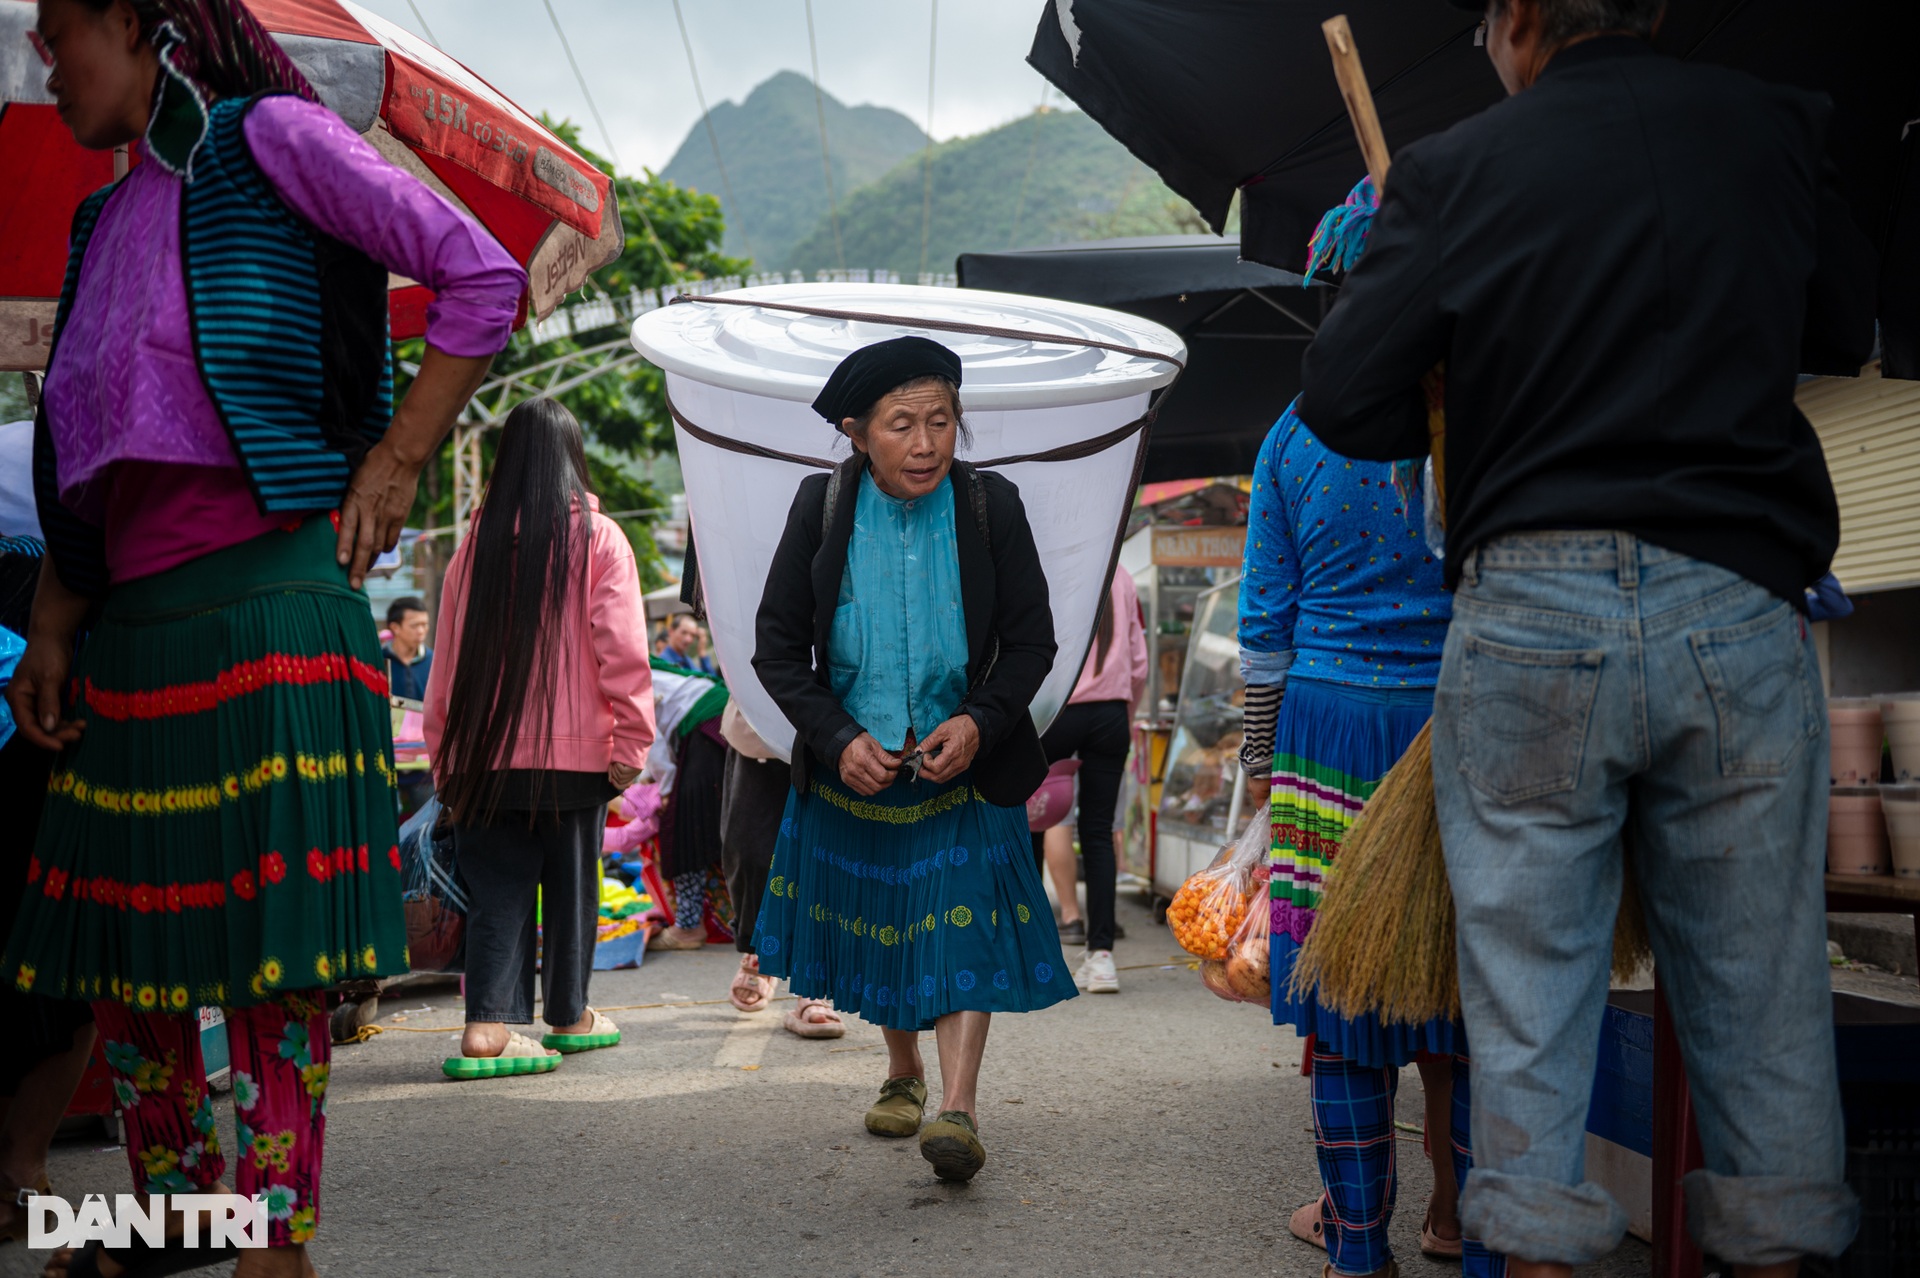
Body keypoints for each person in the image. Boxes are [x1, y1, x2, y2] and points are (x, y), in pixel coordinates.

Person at [1297, 0, 1877, 1271]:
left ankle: (1537, 1258)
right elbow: (1841, 331)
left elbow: (1344, 394)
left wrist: (1468, 386)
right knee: (1760, 989)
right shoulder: (1777, 127)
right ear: (1662, 8)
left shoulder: (1457, 169)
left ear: (1512, 20)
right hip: (1735, 595)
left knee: (1530, 993)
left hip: (1531, 613)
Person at [2, 1, 525, 1272]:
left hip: (272, 616)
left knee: (264, 964)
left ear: (137, 22)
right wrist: (60, 626)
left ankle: (274, 1243)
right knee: (135, 965)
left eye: (62, 29)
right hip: (129, 634)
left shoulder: (272, 139)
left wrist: (402, 458)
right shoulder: (96, 221)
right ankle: (170, 1222)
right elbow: (87, 456)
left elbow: (480, 275)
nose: (43, 59)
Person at [752, 336, 1069, 1183]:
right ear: (858, 432)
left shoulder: (988, 506)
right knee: (889, 927)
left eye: (941, 421)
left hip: (962, 766)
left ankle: (959, 1108)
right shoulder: (818, 508)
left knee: (958, 923)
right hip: (860, 769)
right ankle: (903, 1071)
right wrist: (836, 737)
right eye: (903, 424)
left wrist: (980, 720)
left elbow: (1033, 641)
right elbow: (777, 650)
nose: (926, 443)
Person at [1240, 402, 1497, 1278]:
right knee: (1481, 1005)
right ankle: (1486, 1253)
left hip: (1326, 732)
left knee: (1345, 1006)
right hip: (1471, 718)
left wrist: (1257, 761)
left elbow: (1265, 617)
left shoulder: (1297, 430)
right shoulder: (1491, 398)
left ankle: (1355, 1253)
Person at [425, 399, 654, 1079]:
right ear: (570, 458)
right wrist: (630, 749)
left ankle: (486, 1028)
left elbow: (448, 664)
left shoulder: (475, 547)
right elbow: (621, 650)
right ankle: (568, 1015)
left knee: (496, 891)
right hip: (575, 760)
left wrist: (447, 763)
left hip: (483, 759)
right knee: (573, 887)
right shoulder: (599, 538)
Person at [1029, 564, 1146, 992]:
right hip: (1110, 710)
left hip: (1053, 710)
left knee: (1032, 822)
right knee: (1097, 832)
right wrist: (1125, 718)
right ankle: (1101, 958)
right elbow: (1138, 663)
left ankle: (1032, 950)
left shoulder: (1057, 558)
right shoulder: (1123, 574)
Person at [717, 702, 844, 1037]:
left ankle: (813, 983)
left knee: (820, 853)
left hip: (828, 720)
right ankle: (759, 948)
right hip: (759, 719)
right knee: (750, 850)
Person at [645, 657, 730, 951]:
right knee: (726, 824)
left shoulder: (618, 672)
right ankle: (746, 920)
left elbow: (647, 736)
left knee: (681, 828)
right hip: (718, 720)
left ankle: (689, 927)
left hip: (708, 723)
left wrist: (666, 790)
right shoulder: (634, 664)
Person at [383, 595, 432, 701]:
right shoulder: (378, 660)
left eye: (424, 625)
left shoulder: (435, 662)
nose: (421, 631)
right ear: (395, 628)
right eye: (414, 626)